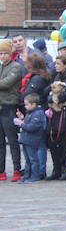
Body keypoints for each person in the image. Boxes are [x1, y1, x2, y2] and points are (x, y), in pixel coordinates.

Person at [0, 39, 25, 181]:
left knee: (12, 140)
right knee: (0, 142)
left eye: (5, 53)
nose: (2, 56)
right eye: (0, 53)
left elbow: (6, 84)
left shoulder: (16, 67)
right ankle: (1, 171)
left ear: (10, 54)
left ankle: (17, 169)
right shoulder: (1, 67)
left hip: (9, 107)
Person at [15, 93, 47, 182]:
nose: (25, 107)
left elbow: (32, 127)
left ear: (34, 104)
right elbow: (28, 123)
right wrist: (22, 118)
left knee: (33, 159)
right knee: (27, 160)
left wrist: (21, 124)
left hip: (32, 140)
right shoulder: (30, 113)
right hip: (26, 139)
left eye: (27, 105)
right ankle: (27, 176)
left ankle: (34, 176)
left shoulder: (38, 113)